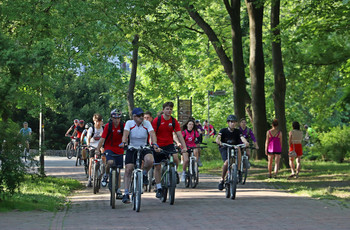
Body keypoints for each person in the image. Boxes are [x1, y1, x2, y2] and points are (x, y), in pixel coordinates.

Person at [119, 108, 160, 204]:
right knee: (129, 169)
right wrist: (124, 142)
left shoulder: (146, 123)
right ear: (134, 117)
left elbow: (152, 133)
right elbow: (125, 133)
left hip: (144, 147)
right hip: (131, 147)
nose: (141, 117)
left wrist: (154, 143)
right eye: (138, 116)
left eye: (142, 115)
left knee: (150, 160)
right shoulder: (129, 123)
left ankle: (145, 174)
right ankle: (126, 193)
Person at [152, 102, 187, 199]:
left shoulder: (174, 121)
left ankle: (173, 172)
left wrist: (184, 147)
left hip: (169, 144)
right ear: (163, 110)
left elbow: (179, 134)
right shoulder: (157, 120)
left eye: (171, 109)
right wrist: (154, 145)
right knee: (157, 166)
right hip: (158, 145)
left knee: (175, 158)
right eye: (167, 109)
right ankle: (159, 187)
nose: (169, 111)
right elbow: (152, 133)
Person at [216, 115, 249, 190]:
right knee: (227, 162)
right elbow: (218, 137)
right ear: (228, 123)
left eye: (234, 122)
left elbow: (242, 138)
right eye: (231, 122)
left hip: (234, 147)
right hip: (225, 147)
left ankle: (239, 170)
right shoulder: (223, 130)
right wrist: (218, 141)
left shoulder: (238, 131)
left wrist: (246, 142)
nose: (232, 124)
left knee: (239, 149)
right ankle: (222, 179)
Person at [96, 109, 124, 198]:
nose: (116, 120)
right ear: (111, 118)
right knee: (110, 162)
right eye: (114, 118)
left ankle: (118, 189)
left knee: (118, 170)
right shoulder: (108, 126)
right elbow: (102, 139)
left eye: (118, 118)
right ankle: (106, 175)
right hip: (109, 148)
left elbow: (127, 137)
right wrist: (97, 149)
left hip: (120, 149)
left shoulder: (123, 126)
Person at [86, 114, 104, 187]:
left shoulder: (103, 128)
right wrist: (88, 145)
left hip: (100, 146)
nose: (98, 123)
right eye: (96, 121)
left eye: (99, 121)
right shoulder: (91, 129)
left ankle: (103, 175)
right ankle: (90, 179)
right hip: (92, 146)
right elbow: (88, 138)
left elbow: (104, 138)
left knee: (103, 158)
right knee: (91, 160)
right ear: (94, 121)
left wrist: (103, 146)